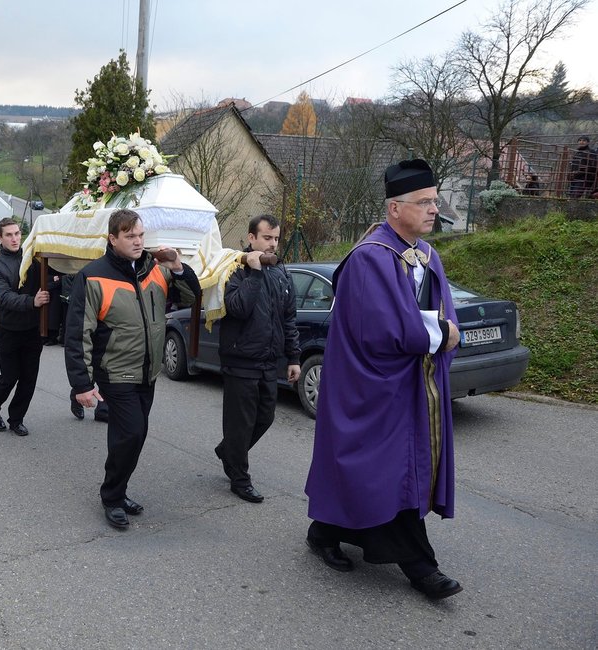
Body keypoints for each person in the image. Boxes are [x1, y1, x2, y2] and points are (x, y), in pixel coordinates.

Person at [304, 159, 463, 600]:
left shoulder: (428, 255)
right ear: (395, 208)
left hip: (411, 386)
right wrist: (443, 334)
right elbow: (382, 328)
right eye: (425, 202)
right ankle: (420, 567)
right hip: (372, 388)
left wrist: (449, 330)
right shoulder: (371, 258)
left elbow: (443, 311)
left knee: (383, 473)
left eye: (435, 200)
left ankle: (323, 532)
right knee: (388, 474)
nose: (435, 209)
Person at [65, 209, 201, 530]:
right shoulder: (94, 276)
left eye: (141, 235)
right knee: (131, 432)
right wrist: (82, 384)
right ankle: (111, 497)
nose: (138, 241)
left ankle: (119, 490)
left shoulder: (154, 270)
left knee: (134, 436)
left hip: (147, 371)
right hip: (115, 371)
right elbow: (77, 334)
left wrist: (178, 266)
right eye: (130, 236)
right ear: (113, 240)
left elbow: (192, 296)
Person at [215, 215, 301, 504]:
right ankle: (240, 478)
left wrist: (293, 357)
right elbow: (237, 308)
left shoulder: (281, 272)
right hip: (241, 360)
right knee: (240, 424)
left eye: (276, 238)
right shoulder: (233, 271)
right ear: (251, 238)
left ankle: (229, 451)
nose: (273, 243)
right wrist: (253, 272)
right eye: (267, 237)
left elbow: (288, 318)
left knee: (266, 416)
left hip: (269, 361)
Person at [0, 218, 49, 435]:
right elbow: (4, 297)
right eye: (9, 235)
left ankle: (16, 419)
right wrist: (32, 302)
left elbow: (50, 275)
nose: (14, 238)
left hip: (31, 330)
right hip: (8, 331)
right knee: (9, 377)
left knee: (29, 379)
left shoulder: (33, 258)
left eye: (17, 234)